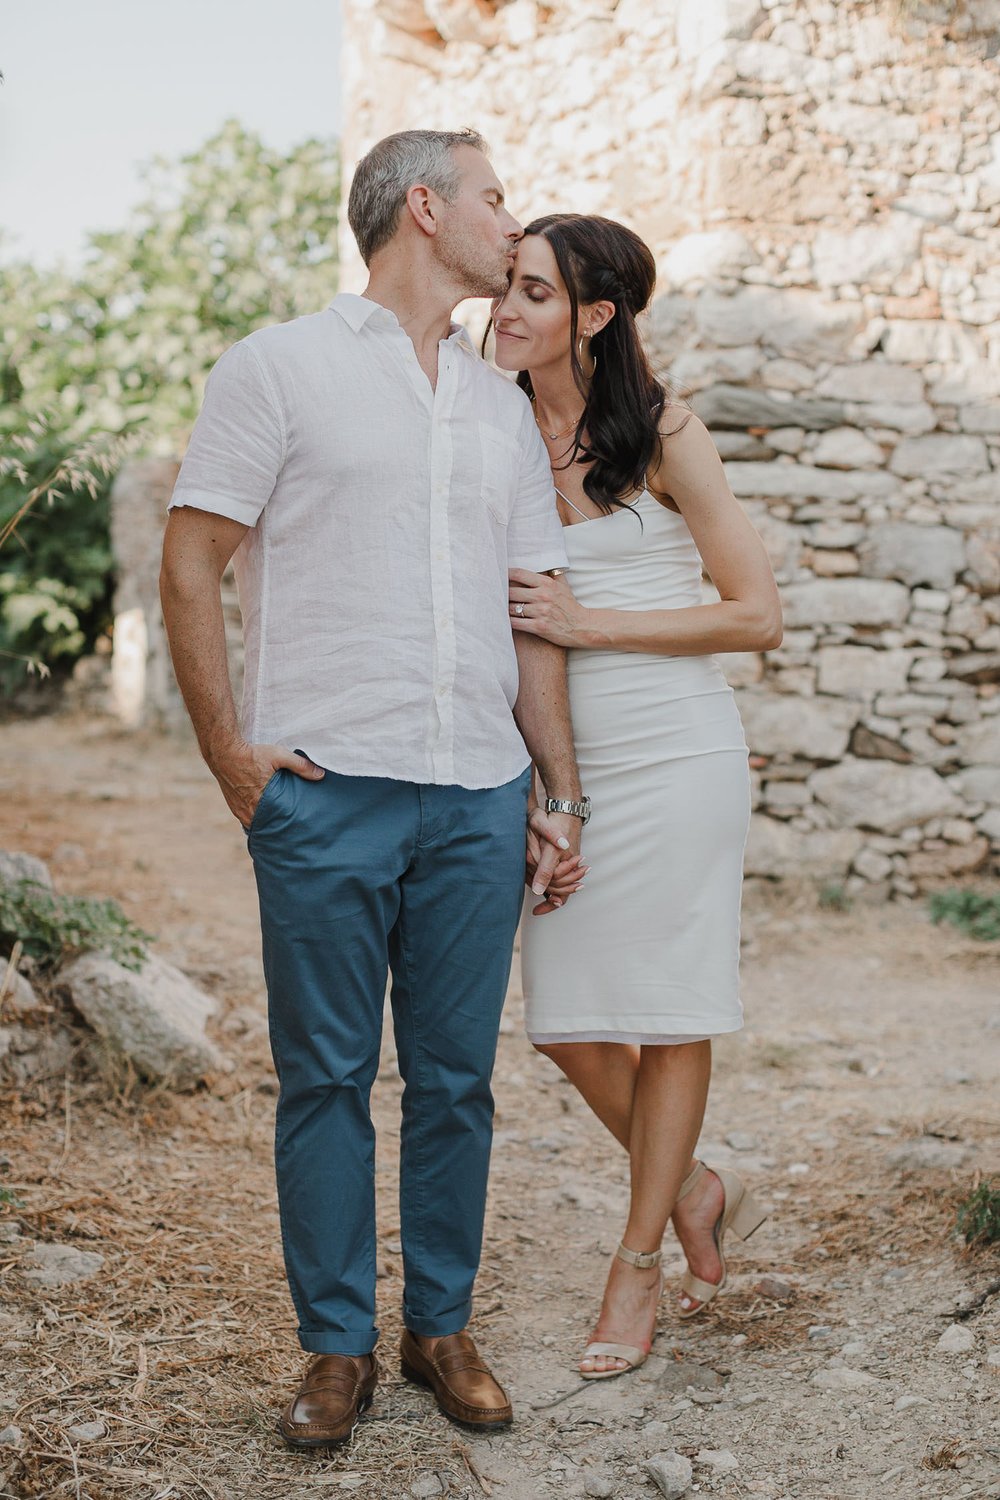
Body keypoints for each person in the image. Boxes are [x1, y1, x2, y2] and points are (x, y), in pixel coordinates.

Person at [159, 130, 588, 1447]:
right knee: (326, 1080)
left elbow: (531, 615)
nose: (514, 226)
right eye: (496, 198)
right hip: (325, 790)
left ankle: (438, 1329)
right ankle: (333, 1346)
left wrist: (555, 792)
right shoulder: (277, 368)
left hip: (474, 791)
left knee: (457, 1081)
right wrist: (231, 754)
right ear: (424, 209)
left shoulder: (500, 406)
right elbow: (191, 561)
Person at [491, 213, 782, 1379]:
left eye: (530, 294)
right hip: (559, 764)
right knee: (563, 1023)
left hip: (677, 752)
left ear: (595, 316)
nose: (502, 311)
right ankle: (696, 1185)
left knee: (669, 1008)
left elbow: (754, 612)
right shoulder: (491, 430)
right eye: (501, 289)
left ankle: (636, 1262)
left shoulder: (662, 432)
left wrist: (589, 622)